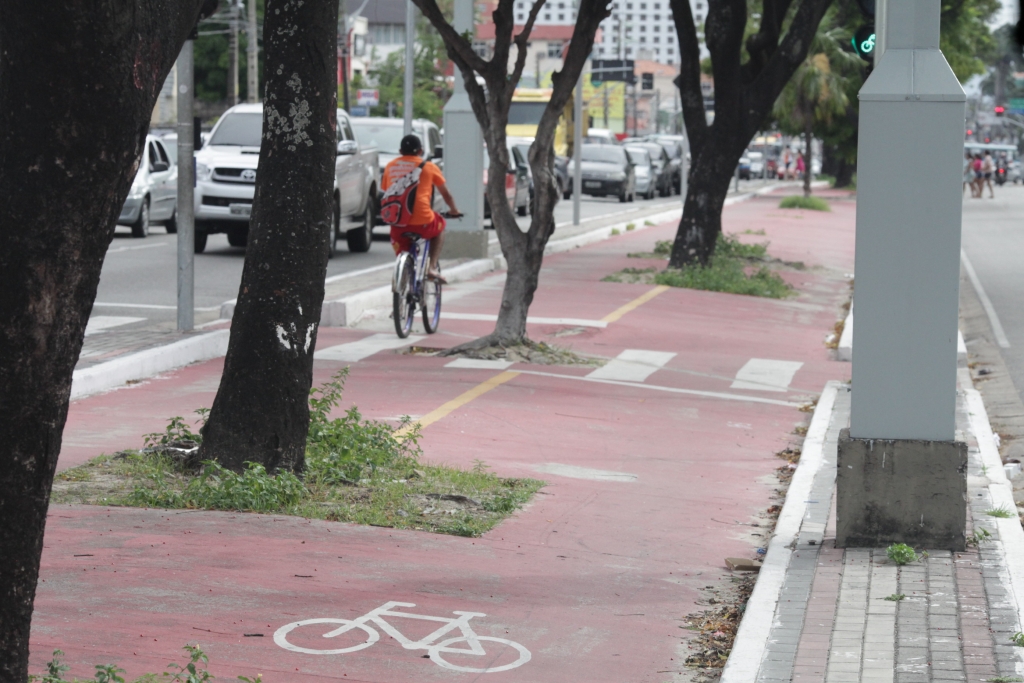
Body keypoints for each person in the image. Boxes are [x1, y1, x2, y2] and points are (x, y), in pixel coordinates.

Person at [380, 134, 462, 282]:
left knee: (402, 250)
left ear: (400, 151)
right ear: (420, 151)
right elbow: (446, 194)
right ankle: (431, 267)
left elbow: (387, 190)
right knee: (440, 225)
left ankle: (403, 277)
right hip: (423, 221)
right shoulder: (429, 167)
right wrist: (454, 211)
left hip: (397, 224)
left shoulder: (390, 166)